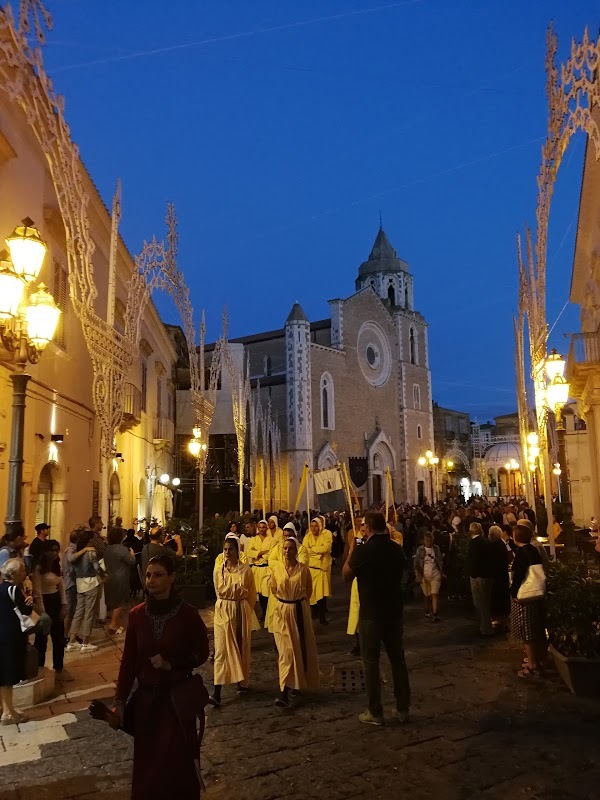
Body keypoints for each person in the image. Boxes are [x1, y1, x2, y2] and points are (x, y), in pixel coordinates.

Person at [109, 555, 210, 800]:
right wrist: (119, 702)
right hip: (147, 705)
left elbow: (201, 654)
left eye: (158, 575)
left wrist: (172, 664)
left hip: (175, 703)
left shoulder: (188, 615)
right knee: (149, 771)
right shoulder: (137, 616)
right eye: (148, 575)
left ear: (172, 578)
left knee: (176, 767)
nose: (151, 580)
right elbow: (129, 662)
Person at [343, 511, 410, 726]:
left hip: (371, 614)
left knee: (370, 663)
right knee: (397, 660)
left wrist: (352, 550)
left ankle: (375, 711)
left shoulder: (364, 551)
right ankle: (403, 707)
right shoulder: (395, 549)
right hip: (393, 611)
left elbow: (346, 575)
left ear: (369, 527)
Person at [270, 537, 319, 708]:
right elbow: (273, 589)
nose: (287, 551)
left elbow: (309, 590)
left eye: (290, 548)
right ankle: (284, 691)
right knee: (286, 652)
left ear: (296, 550)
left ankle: (296, 682)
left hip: (298, 611)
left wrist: (297, 603)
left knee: (298, 648)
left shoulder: (303, 570)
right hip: (283, 611)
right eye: (284, 548)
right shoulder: (276, 569)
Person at [210, 536, 259, 707]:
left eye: (231, 549)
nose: (227, 552)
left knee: (241, 645)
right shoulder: (218, 570)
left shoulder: (245, 570)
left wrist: (246, 609)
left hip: (240, 610)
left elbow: (251, 593)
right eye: (225, 549)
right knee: (221, 650)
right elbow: (217, 590)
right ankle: (217, 691)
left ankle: (241, 681)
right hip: (224, 610)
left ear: (237, 551)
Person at [31, 541, 72, 682]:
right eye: (52, 550)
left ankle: (59, 667)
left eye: (57, 550)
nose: (55, 553)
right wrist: (43, 613)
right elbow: (37, 592)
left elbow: (61, 585)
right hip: (44, 601)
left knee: (59, 637)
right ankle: (39, 668)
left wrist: (64, 605)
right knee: (41, 639)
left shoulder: (56, 566)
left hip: (56, 601)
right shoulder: (39, 568)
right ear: (45, 551)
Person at [510, 524, 547, 678]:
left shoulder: (521, 553)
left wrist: (513, 592)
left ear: (516, 537)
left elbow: (518, 575)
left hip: (525, 595)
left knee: (527, 632)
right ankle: (536, 659)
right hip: (537, 593)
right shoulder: (533, 550)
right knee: (534, 628)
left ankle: (532, 665)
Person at [0, 558, 34, 724]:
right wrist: (30, 601)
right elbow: (26, 611)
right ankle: (7, 714)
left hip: (1, 635)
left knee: (3, 673)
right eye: (22, 570)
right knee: (8, 675)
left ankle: (7, 709)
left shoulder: (1, 588)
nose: (25, 573)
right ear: (15, 574)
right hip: (11, 637)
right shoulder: (14, 589)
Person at [265, 523, 308, 632]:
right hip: (280, 591)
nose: (287, 538)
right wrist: (282, 568)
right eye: (285, 536)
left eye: (289, 535)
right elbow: (271, 561)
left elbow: (302, 565)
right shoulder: (279, 547)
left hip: (295, 595)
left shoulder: (301, 549)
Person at [66, 531, 102, 653]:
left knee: (78, 612)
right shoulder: (91, 553)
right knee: (89, 612)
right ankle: (85, 642)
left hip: (79, 583)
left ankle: (72, 641)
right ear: (90, 540)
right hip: (90, 582)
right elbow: (97, 568)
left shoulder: (77, 553)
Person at [104, 527, 136, 635]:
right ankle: (113, 624)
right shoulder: (122, 549)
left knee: (113, 600)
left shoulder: (107, 549)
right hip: (120, 577)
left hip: (109, 576)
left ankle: (116, 623)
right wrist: (132, 554)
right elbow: (131, 561)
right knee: (120, 601)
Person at [304, 517, 332, 625]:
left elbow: (326, 548)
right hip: (311, 569)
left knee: (321, 594)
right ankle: (313, 614)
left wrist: (313, 551)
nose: (314, 528)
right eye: (312, 526)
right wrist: (318, 553)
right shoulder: (307, 537)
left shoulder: (325, 536)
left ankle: (322, 617)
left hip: (321, 569)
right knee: (311, 594)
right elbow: (305, 550)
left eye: (316, 526)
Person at [467, 522, 494, 637]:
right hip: (487, 575)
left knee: (480, 602)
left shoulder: (473, 543)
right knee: (486, 601)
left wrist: (472, 574)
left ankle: (485, 627)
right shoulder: (487, 541)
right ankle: (485, 626)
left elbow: (473, 561)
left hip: (478, 576)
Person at [246, 519, 274, 621]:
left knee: (265, 592)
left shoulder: (271, 540)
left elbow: (271, 553)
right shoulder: (254, 539)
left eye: (263, 527)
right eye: (260, 527)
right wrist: (262, 552)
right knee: (255, 592)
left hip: (266, 569)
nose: (262, 529)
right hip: (256, 569)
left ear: (266, 528)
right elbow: (249, 552)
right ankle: (258, 613)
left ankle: (266, 612)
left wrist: (257, 553)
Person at [414, 531, 443, 622]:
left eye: (430, 541)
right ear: (424, 541)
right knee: (427, 595)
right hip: (424, 575)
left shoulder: (436, 549)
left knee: (435, 594)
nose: (429, 543)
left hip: (435, 574)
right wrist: (418, 574)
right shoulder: (420, 550)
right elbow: (416, 563)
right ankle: (427, 609)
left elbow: (439, 561)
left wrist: (441, 571)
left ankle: (435, 613)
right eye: (427, 541)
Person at [346, 519, 365, 656]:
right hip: (357, 582)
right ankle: (358, 644)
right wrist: (353, 550)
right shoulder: (356, 544)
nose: (364, 533)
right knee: (356, 615)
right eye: (362, 530)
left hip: (371, 584)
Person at [488, 525, 510, 630]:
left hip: (496, 577)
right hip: (502, 576)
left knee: (497, 598)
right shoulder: (501, 544)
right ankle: (503, 619)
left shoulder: (493, 546)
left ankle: (498, 619)